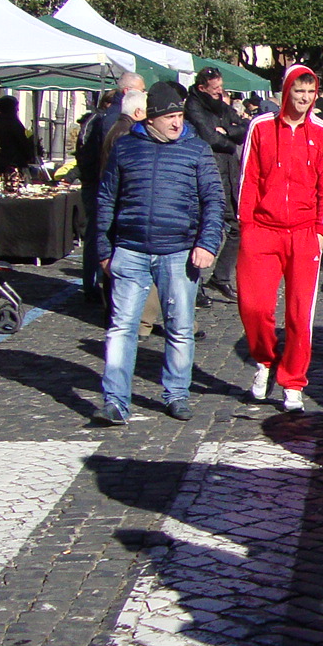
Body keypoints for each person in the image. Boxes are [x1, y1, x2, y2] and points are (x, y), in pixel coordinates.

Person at [93, 80, 225, 424]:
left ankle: (177, 394)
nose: (177, 122)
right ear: (150, 118)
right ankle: (115, 401)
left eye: (180, 115)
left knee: (180, 327)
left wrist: (207, 243)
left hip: (179, 251)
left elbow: (214, 200)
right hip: (130, 250)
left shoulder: (196, 150)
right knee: (122, 327)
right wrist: (104, 250)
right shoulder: (126, 148)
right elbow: (106, 199)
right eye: (169, 116)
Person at [236, 65, 323, 412]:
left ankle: (293, 381)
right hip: (262, 231)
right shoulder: (261, 127)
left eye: (310, 93)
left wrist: (322, 230)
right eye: (299, 92)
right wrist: (246, 225)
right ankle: (264, 360)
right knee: (254, 305)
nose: (305, 99)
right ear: (286, 92)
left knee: (299, 312)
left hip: (304, 232)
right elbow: (249, 177)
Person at [77, 75, 146, 303]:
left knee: (98, 235)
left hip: (102, 185)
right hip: (106, 188)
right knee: (100, 236)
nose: (144, 95)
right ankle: (96, 288)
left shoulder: (112, 119)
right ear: (128, 92)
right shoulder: (115, 122)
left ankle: (96, 286)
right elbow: (107, 160)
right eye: (141, 91)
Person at [185, 66, 247, 303]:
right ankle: (195, 283)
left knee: (237, 226)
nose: (220, 92)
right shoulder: (193, 106)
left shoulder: (221, 105)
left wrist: (228, 132)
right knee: (204, 228)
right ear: (202, 88)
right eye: (215, 89)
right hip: (207, 171)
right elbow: (209, 137)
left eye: (221, 88)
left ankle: (220, 277)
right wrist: (230, 141)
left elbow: (243, 128)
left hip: (229, 172)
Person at [0, 96, 38, 175]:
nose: (17, 110)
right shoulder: (12, 123)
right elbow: (22, 143)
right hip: (15, 164)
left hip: (1, 162)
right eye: (16, 107)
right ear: (9, 108)